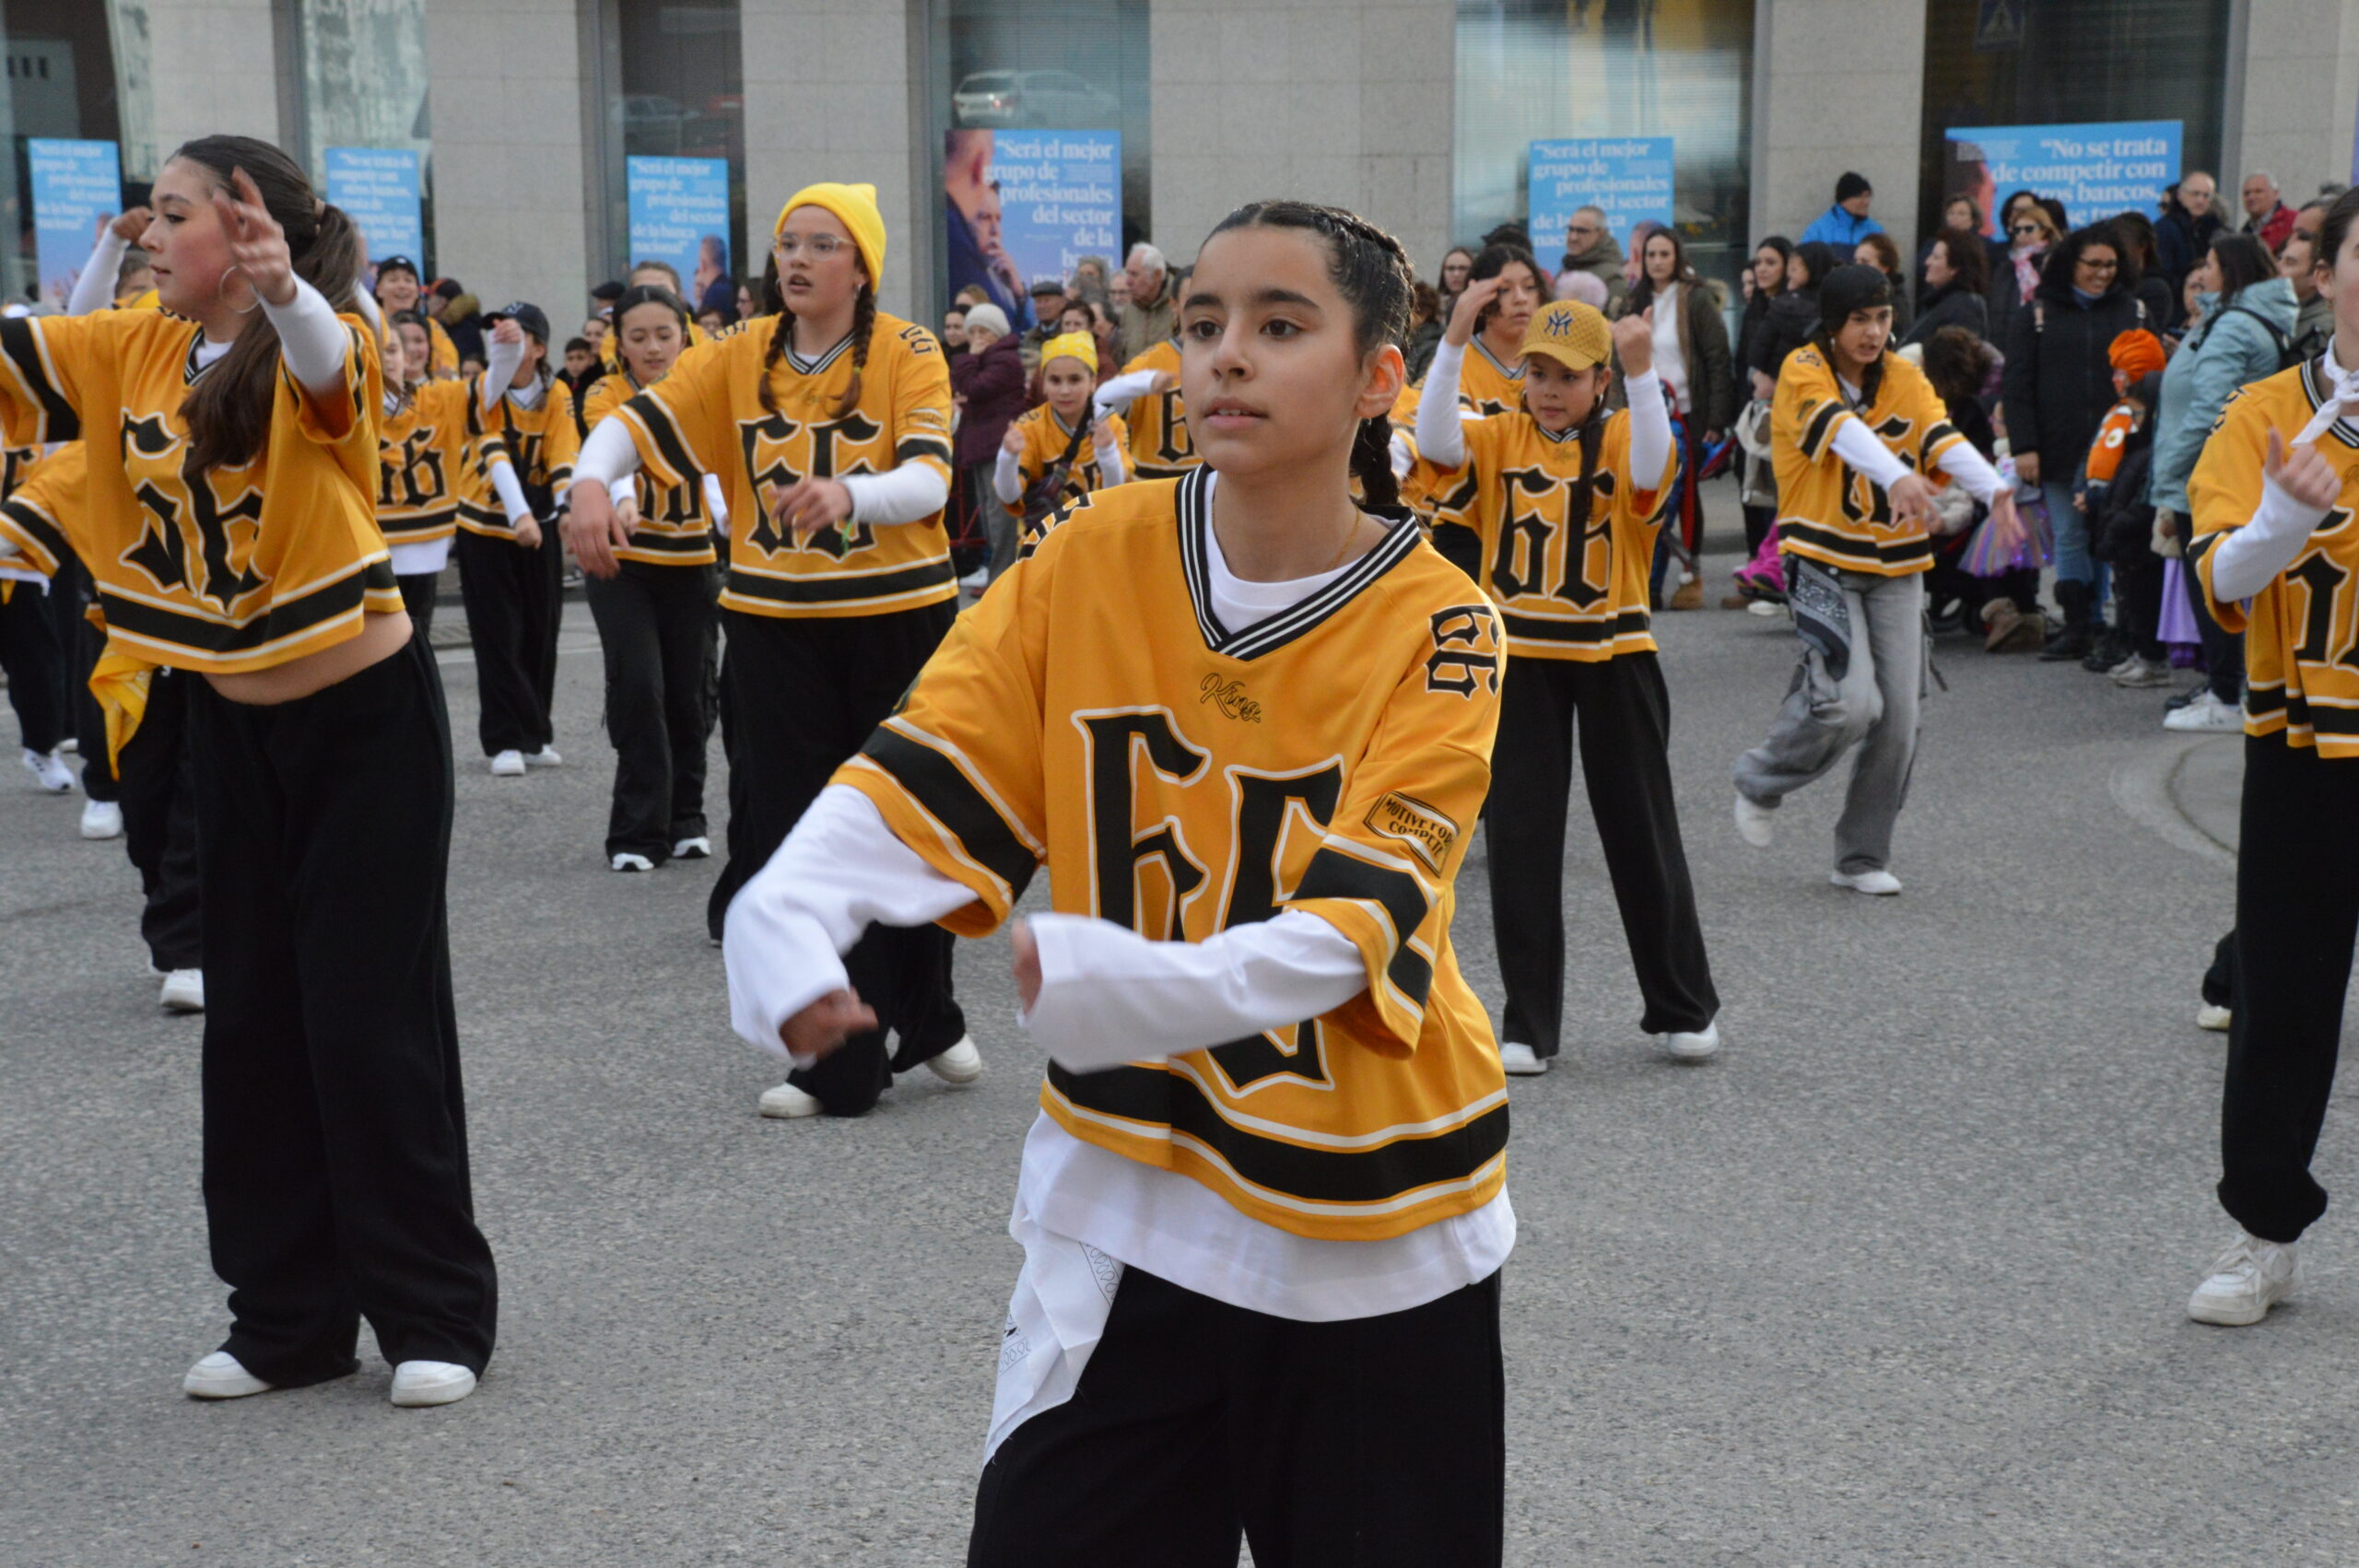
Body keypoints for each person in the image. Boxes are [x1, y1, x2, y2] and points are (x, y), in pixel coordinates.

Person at [723, 195, 1512, 1566]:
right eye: (1204, 323)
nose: (1227, 357)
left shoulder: (1443, 619)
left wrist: (1132, 986)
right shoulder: (1087, 550)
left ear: (1382, 375)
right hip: (1129, 1202)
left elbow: (1357, 924)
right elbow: (929, 756)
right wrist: (789, 911)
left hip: (1372, 1224)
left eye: (1281, 325)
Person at [0, 133, 496, 1406]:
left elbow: (335, 370)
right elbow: (16, 347)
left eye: (171, 216)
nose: (150, 237)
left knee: (368, 1021)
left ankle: (432, 1310)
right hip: (230, 724)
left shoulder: (320, 338)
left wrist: (285, 290)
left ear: (241, 226)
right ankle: (286, 1319)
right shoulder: (139, 346)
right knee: (255, 1026)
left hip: (365, 727)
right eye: (151, 217)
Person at [568, 181, 979, 1118]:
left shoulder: (910, 350)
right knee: (789, 835)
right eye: (787, 241)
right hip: (773, 627)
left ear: (861, 265)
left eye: (821, 244)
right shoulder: (739, 350)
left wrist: (850, 495)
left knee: (903, 829)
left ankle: (929, 1014)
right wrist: (590, 484)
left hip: (897, 622)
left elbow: (926, 478)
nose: (795, 258)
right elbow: (635, 425)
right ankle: (840, 1063)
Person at [1416, 287, 1718, 1073]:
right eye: (1538, 372)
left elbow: (1657, 466)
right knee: (1520, 839)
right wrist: (1452, 342)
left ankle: (1681, 1005)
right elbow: (1435, 442)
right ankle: (1528, 1024)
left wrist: (1645, 371)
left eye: (1571, 375)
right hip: (1521, 663)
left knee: (1642, 834)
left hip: (1616, 656)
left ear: (1600, 384)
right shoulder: (1498, 436)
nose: (1551, 389)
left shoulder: (1623, 433)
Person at [2181, 184, 2359, 1326]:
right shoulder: (2261, 410)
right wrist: (2284, 515)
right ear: (2322, 272)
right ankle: (2261, 1231)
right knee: (2284, 995)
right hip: (2306, 745)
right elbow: (2220, 580)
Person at [1731, 266, 2014, 892]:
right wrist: (1897, 476)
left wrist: (1995, 491)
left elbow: (1939, 438)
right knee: (1850, 705)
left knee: (1900, 718)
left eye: (1883, 318)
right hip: (1821, 559)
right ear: (1833, 325)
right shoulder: (1804, 370)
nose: (1873, 331)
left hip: (1896, 566)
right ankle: (1761, 778)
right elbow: (1838, 430)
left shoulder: (1906, 376)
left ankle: (1861, 856)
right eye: (1859, 319)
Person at [567, 284, 724, 873]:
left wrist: (733, 516)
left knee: (690, 694)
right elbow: (618, 451)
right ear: (619, 344)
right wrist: (623, 499)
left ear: (686, 335)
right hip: (622, 565)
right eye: (638, 337)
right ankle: (636, 830)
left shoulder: (706, 388)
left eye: (665, 334)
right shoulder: (605, 391)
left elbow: (714, 470)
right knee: (638, 689)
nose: (654, 348)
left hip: (691, 561)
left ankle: (687, 817)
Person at [2151, 232, 2294, 732]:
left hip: (2204, 475)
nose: (2203, 274)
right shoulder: (2232, 318)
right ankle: (2226, 689)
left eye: (2210, 265)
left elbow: (2211, 408)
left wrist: (2168, 470)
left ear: (2229, 272)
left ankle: (2227, 697)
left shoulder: (2233, 326)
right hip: (2208, 471)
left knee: (2213, 589)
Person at [2000, 223, 2145, 661]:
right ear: (2070, 265)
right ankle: (2080, 625)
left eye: (2110, 266)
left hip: (2118, 450)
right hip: (2057, 448)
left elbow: (2148, 380)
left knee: (2106, 537)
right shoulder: (2038, 313)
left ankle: (2103, 621)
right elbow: (2017, 384)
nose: (2102, 274)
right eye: (2092, 265)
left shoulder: (2132, 312)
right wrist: (2024, 446)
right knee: (2068, 534)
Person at [453, 302, 576, 778]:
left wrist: (565, 509)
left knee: (542, 629)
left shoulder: (557, 391)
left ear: (539, 347)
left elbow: (566, 450)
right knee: (497, 633)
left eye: (515, 334)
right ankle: (503, 738)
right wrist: (518, 514)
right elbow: (491, 452)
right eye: (496, 333)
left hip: (541, 522)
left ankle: (535, 733)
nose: (501, 339)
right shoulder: (484, 391)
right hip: (484, 525)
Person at [1622, 227, 1732, 609]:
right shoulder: (1633, 300)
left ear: (1677, 257)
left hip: (1690, 415)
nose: (1656, 261)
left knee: (1683, 500)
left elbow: (1718, 359)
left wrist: (1717, 420)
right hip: (1644, 412)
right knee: (1650, 498)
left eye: (1664, 254)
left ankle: (1688, 575)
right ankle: (1646, 583)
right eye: (1650, 254)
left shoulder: (1696, 298)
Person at [1919, 325, 2045, 652]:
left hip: (1980, 494)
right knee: (2011, 554)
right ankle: (2027, 611)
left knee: (1983, 549)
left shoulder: (1972, 408)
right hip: (2008, 493)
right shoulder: (1995, 393)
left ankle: (2002, 612)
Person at [373, 310, 476, 637]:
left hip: (421, 539)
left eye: (393, 350)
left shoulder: (438, 396)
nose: (387, 359)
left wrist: (508, 350)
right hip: (369, 543)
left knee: (417, 636)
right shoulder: (349, 405)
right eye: (378, 350)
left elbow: (489, 391)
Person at [993, 331, 1126, 572]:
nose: (1064, 390)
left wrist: (1107, 453)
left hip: (1097, 545)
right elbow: (1009, 496)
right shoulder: (1029, 426)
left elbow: (1118, 493)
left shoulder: (1111, 424)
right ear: (1043, 383)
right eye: (1055, 381)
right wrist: (1007, 457)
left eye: (1075, 380)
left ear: (1092, 382)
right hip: (1043, 549)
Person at [951, 302, 1031, 581]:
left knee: (1000, 519)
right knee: (987, 516)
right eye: (971, 331)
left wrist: (970, 357)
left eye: (983, 330)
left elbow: (972, 388)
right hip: (981, 445)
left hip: (997, 446)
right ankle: (999, 577)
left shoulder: (1005, 361)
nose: (977, 337)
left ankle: (1002, 578)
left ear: (996, 333)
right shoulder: (986, 361)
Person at [1427, 241, 1543, 416]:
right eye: (1505, 290)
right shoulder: (1457, 360)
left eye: (1529, 287)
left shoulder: (1555, 356)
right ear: (1477, 296)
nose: (1521, 298)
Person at [1901, 226, 1990, 347]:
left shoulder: (1964, 307)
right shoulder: (1938, 301)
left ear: (1955, 267)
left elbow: (1957, 358)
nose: (1927, 262)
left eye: (1936, 257)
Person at [371, 255, 458, 376]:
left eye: (408, 280)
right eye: (393, 280)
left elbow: (449, 367)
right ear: (379, 290)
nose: (402, 286)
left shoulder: (432, 327)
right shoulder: (369, 326)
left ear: (417, 291)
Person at [1989, 202, 2059, 348]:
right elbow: (1996, 309)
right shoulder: (2007, 266)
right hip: (2008, 342)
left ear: (2044, 230)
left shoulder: (2054, 262)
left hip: (2045, 340)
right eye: (2017, 230)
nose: (2022, 235)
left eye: (2028, 229)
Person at [2281, 200, 2334, 363]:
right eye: (2293, 233)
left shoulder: (2324, 327)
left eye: (2303, 234)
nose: (2292, 240)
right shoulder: (2291, 307)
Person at [2158, 170, 2224, 292]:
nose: (2200, 200)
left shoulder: (2213, 229)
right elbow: (2164, 273)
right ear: (2180, 195)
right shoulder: (2165, 228)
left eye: (2206, 195)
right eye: (2195, 194)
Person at [1557, 207, 1629, 313]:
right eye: (1570, 229)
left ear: (1600, 234)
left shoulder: (1612, 277)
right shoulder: (1568, 267)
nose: (1573, 237)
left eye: (1581, 231)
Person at [1115, 241, 1175, 364]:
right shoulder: (1129, 311)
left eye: (1134, 274)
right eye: (1128, 273)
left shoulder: (1178, 306)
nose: (1128, 282)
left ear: (1157, 275)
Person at [1799, 172, 1883, 249]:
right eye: (1859, 196)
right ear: (1844, 199)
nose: (1866, 202)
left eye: (1868, 196)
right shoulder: (1818, 231)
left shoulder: (1874, 230)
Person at [1854, 233, 1912, 335]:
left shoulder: (1895, 305)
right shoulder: (1856, 295)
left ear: (1884, 268)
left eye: (1865, 262)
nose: (1857, 267)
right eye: (1856, 261)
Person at [2240, 171, 2296, 253]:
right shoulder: (2245, 232)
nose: (2251, 197)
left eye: (2258, 191)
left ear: (2276, 194)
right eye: (2247, 193)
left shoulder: (2293, 221)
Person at [1403, 279, 1444, 382]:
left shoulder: (1434, 346)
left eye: (1408, 310)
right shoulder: (1403, 336)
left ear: (1424, 314)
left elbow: (1422, 384)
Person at [1436, 243, 1474, 316]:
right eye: (1451, 268)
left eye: (1463, 268)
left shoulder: (1482, 307)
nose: (1456, 274)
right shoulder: (1434, 309)